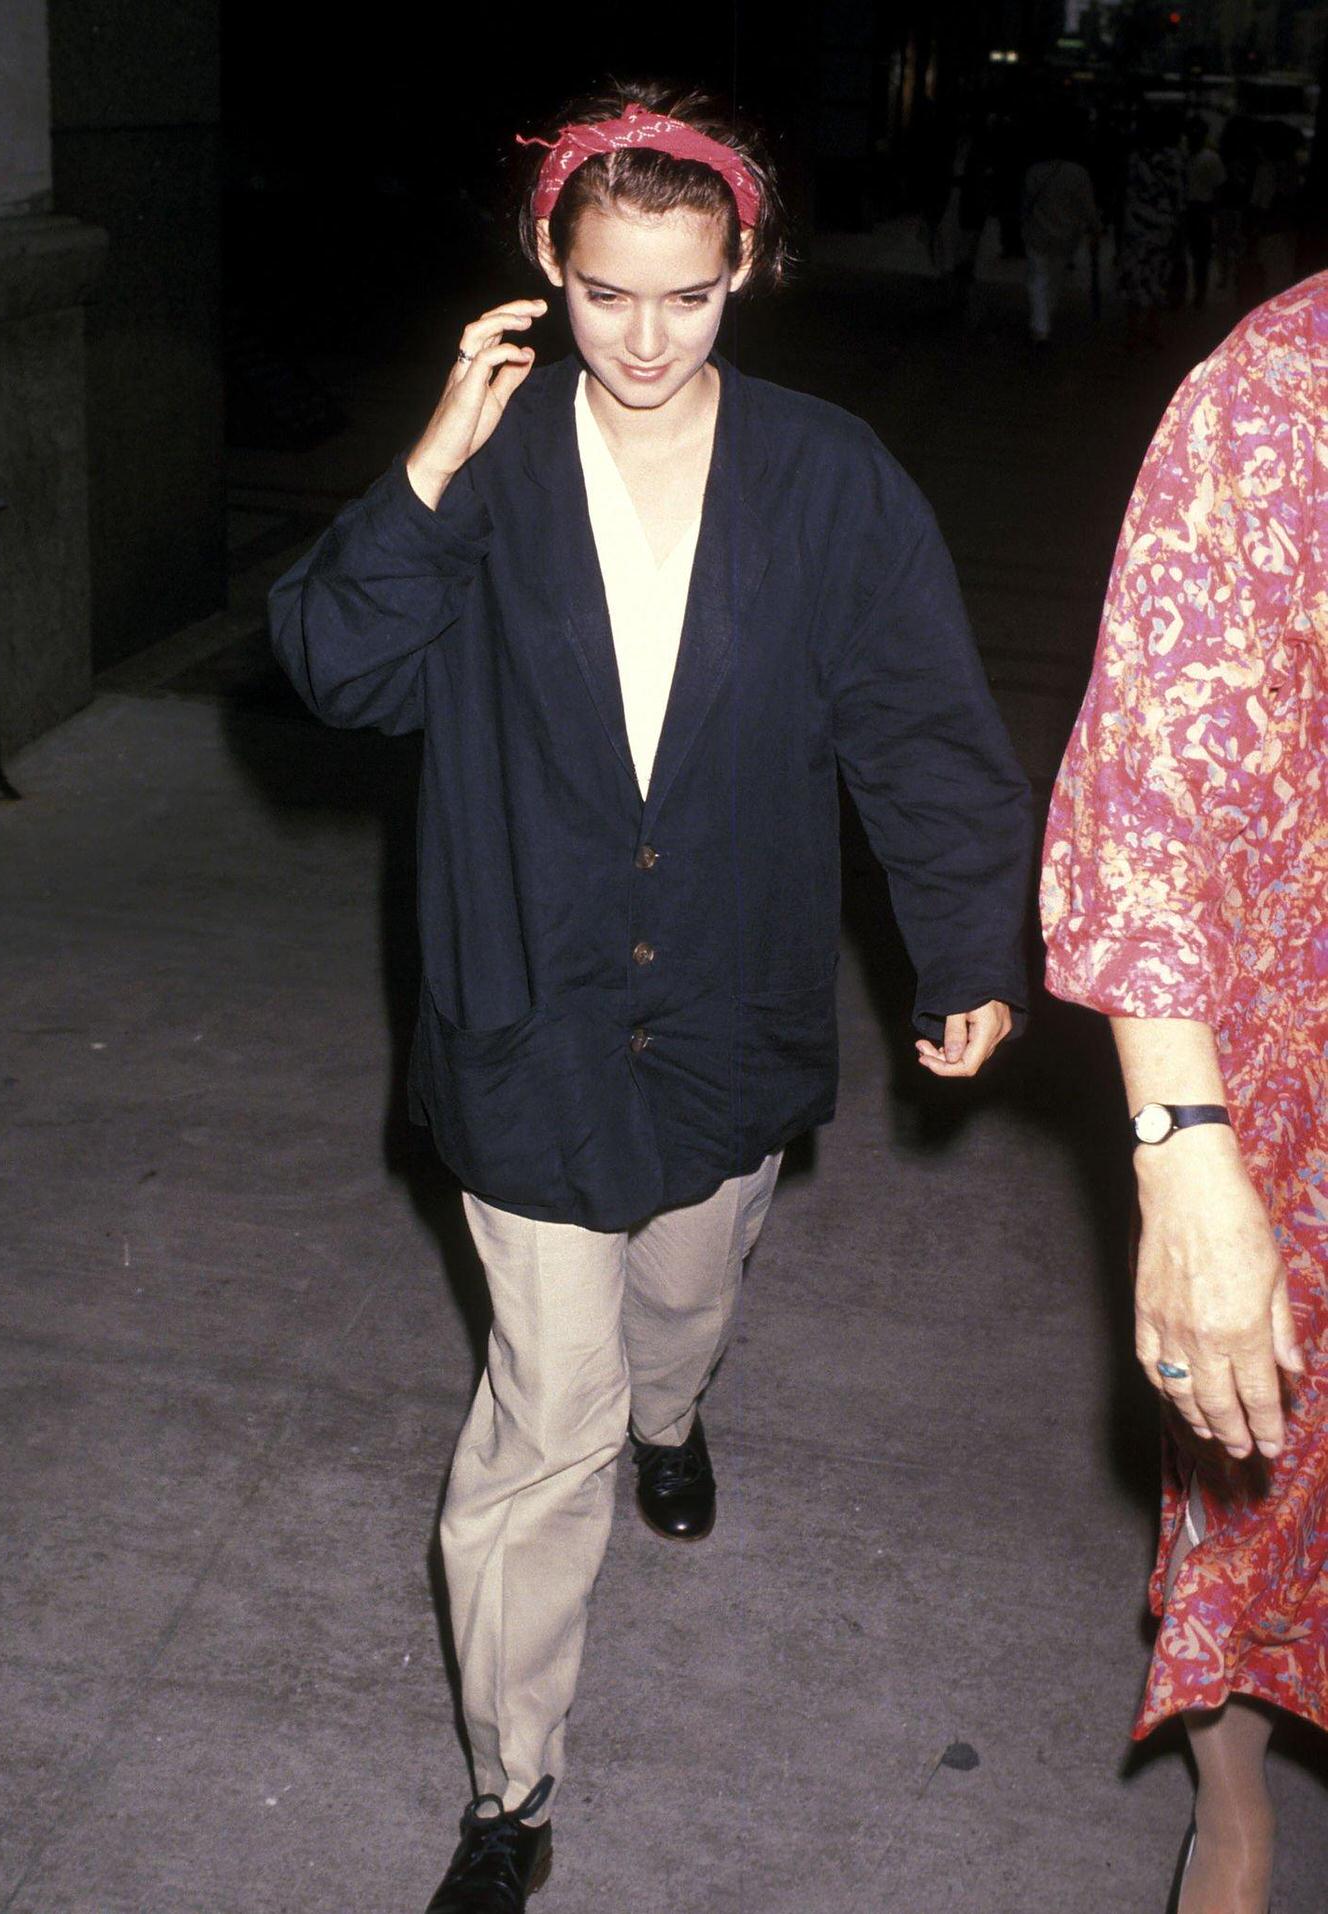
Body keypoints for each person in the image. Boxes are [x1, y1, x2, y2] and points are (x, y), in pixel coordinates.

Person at [271, 80, 1033, 1913]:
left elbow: (920, 727)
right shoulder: (489, 472)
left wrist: (968, 942)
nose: (642, 334)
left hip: (728, 1004)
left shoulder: (829, 475)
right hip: (524, 1009)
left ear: (744, 269)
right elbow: (332, 673)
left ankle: (679, 1412)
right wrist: (426, 474)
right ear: (550, 263)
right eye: (608, 290)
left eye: (686, 295)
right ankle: (510, 1788)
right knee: (545, 1422)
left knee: (679, 1302)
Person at [1042, 274, 1327, 1914]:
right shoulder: (1285, 389)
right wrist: (1189, 1156)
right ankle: (1237, 1800)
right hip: (1300, 1077)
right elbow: (1152, 788)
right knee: (1247, 1472)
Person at [1020, 113, 1100, 344]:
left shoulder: (1034, 172)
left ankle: (1040, 324)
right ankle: (1043, 319)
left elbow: (1026, 202)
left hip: (1038, 232)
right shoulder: (1077, 174)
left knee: (1038, 277)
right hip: (1066, 235)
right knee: (1054, 276)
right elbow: (1087, 206)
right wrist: (1095, 227)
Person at [1118, 106, 1187, 349]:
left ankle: (1132, 332)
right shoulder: (1174, 159)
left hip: (1136, 226)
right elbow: (1178, 196)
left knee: (1135, 277)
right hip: (1163, 227)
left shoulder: (1135, 158)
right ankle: (1152, 331)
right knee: (1158, 277)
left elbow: (1125, 192)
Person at [1184, 117, 1227, 311]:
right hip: (1183, 209)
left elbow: (1219, 188)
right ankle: (1178, 292)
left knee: (1200, 256)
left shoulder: (1210, 158)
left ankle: (1199, 294)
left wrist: (1214, 214)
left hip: (1201, 209)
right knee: (1182, 255)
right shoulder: (1182, 155)